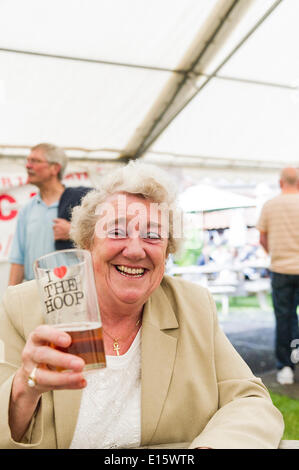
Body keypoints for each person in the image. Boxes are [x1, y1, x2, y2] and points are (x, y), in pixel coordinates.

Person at [0, 161, 283, 449]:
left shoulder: (193, 306)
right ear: (87, 243)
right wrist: (23, 389)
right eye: (117, 232)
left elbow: (249, 400)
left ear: (167, 251)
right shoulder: (25, 306)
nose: (135, 250)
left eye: (152, 235)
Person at [8, 143, 91, 285]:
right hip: (35, 291)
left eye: (35, 161)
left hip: (73, 291)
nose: (28, 166)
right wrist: (9, 299)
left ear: (55, 168)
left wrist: (73, 232)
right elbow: (18, 261)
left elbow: (103, 241)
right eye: (28, 161)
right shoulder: (27, 210)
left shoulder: (81, 202)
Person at [257, 167, 299, 385]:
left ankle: (285, 368)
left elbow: (262, 239)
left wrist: (274, 252)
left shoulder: (270, 205)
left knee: (284, 318)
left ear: (281, 182)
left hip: (281, 269)